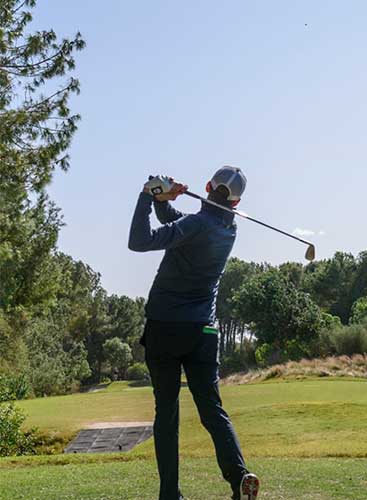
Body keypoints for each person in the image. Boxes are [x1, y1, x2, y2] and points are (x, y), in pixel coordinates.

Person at [129, 167, 260, 500]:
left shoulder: (196, 225)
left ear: (207, 187)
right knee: (212, 409)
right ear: (237, 201)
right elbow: (178, 224)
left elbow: (139, 242)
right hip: (204, 332)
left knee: (167, 412)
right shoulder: (226, 229)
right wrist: (165, 201)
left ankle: (170, 495)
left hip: (165, 328)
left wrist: (147, 197)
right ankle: (239, 477)